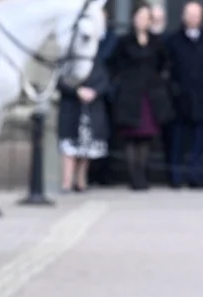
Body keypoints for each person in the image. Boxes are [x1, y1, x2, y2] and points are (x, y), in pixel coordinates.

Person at [108, 5, 174, 191]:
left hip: (150, 94)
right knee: (131, 137)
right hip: (130, 94)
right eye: (140, 16)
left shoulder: (156, 41)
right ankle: (133, 177)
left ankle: (143, 175)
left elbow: (164, 63)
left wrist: (159, 81)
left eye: (146, 17)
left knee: (145, 136)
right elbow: (113, 64)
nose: (143, 20)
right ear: (133, 18)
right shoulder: (124, 41)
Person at [164, 2, 203, 189]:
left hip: (199, 98)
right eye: (189, 14)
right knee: (176, 140)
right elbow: (168, 67)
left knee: (197, 142)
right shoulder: (173, 40)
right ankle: (175, 177)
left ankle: (195, 177)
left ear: (201, 17)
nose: (193, 18)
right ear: (183, 17)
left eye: (196, 14)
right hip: (178, 98)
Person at [57, 56, 110, 193]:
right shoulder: (67, 63)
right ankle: (66, 182)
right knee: (69, 149)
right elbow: (60, 81)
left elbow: (104, 81)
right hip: (72, 110)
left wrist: (94, 92)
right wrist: (77, 91)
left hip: (91, 110)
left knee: (86, 150)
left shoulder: (97, 63)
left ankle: (81, 181)